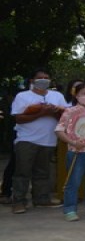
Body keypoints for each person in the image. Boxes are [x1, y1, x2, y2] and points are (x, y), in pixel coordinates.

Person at [10, 69, 67, 214]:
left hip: (48, 141)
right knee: (22, 172)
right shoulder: (23, 96)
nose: (43, 79)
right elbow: (19, 119)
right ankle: (18, 201)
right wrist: (41, 113)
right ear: (32, 81)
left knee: (42, 172)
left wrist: (53, 112)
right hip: (26, 139)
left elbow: (65, 118)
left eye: (46, 77)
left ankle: (41, 199)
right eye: (40, 77)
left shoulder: (57, 96)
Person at [54, 83, 85, 221]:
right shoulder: (70, 111)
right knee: (73, 181)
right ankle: (70, 209)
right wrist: (72, 142)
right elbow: (59, 130)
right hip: (76, 151)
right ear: (77, 95)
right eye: (83, 93)